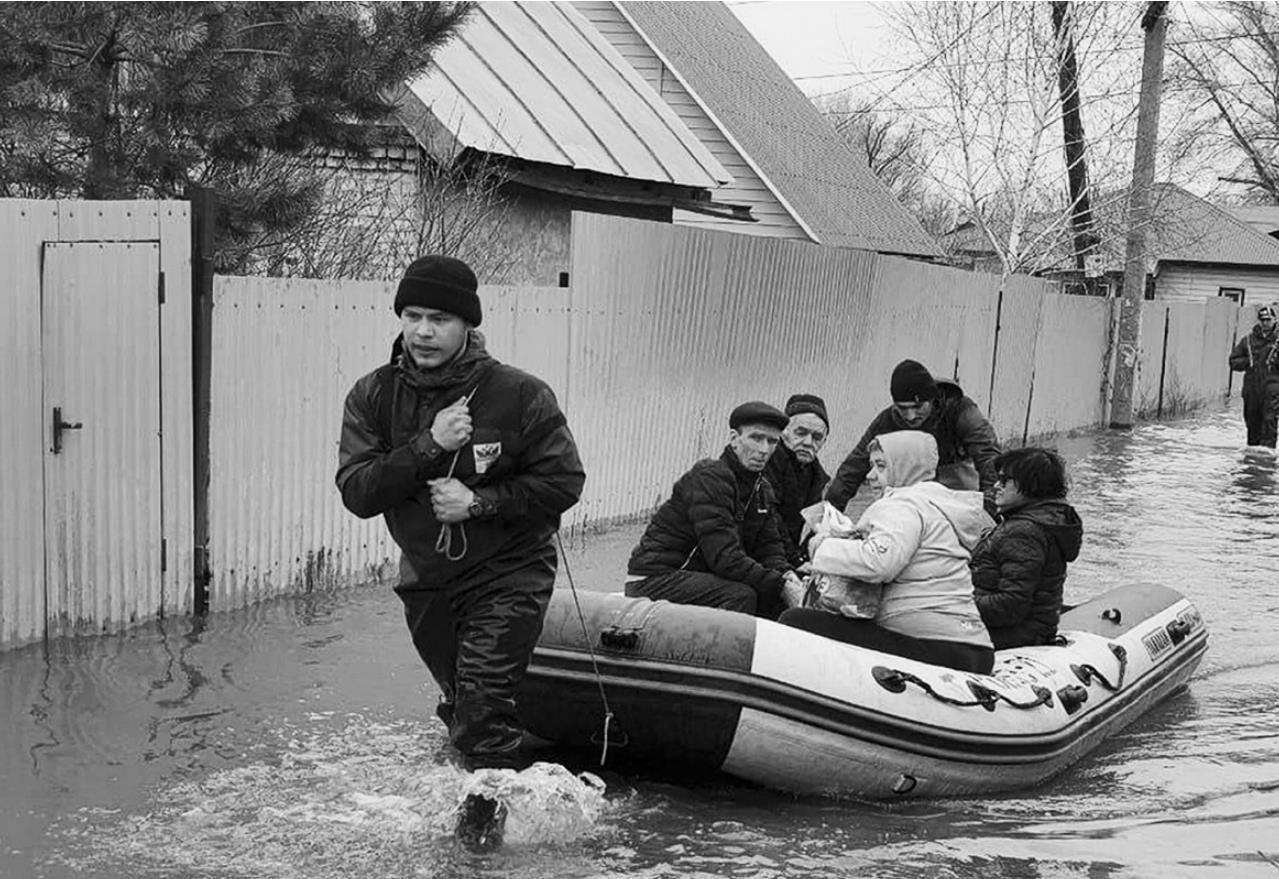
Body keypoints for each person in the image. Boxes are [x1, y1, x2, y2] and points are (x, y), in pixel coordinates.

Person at [335, 254, 585, 851]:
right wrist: (428, 445)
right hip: (427, 578)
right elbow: (358, 492)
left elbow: (564, 483)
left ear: (468, 324)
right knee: (461, 704)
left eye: (440, 319)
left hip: (509, 572)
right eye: (413, 316)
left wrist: (480, 503)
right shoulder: (373, 395)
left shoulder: (519, 394)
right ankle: (506, 809)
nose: (423, 331)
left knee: (483, 710)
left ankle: (478, 851)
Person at [781, 430, 995, 674]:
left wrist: (823, 546)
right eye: (871, 466)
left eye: (881, 466)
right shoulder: (939, 507)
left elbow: (879, 562)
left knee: (796, 620)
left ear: (906, 466)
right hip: (974, 647)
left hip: (932, 645)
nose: (870, 475)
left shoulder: (902, 504)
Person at [625, 401, 804, 619]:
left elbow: (769, 548)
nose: (764, 450)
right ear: (734, 439)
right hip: (656, 577)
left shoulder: (762, 490)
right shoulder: (710, 477)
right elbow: (724, 558)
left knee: (774, 597)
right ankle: (718, 644)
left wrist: (787, 575)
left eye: (772, 441)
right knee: (741, 595)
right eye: (756, 438)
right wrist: (780, 585)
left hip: (698, 576)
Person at [826, 359, 1001, 517]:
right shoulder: (887, 420)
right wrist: (828, 515)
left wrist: (991, 509)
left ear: (931, 399)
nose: (910, 416)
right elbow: (852, 468)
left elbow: (988, 458)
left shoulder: (961, 411)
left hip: (958, 488)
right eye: (903, 408)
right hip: (911, 498)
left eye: (917, 407)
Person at [969, 447, 1082, 650]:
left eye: (1004, 481)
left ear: (1031, 485)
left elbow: (1010, 606)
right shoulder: (1042, 522)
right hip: (1032, 630)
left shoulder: (1023, 532)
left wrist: (951, 602)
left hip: (1012, 635)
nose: (996, 486)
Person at [763, 393, 831, 568]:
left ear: (825, 440)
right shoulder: (765, 464)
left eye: (817, 437)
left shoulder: (818, 478)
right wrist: (795, 561)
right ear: (783, 432)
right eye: (801, 433)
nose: (808, 442)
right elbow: (770, 520)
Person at [1229, 303, 1279, 448]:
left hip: (1272, 388)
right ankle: (1252, 454)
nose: (1265, 323)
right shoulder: (1248, 340)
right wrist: (1247, 362)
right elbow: (1233, 361)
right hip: (1251, 388)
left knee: (1269, 421)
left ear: (1275, 320)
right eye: (1262, 320)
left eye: (1268, 320)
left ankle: (1267, 455)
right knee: (1252, 422)